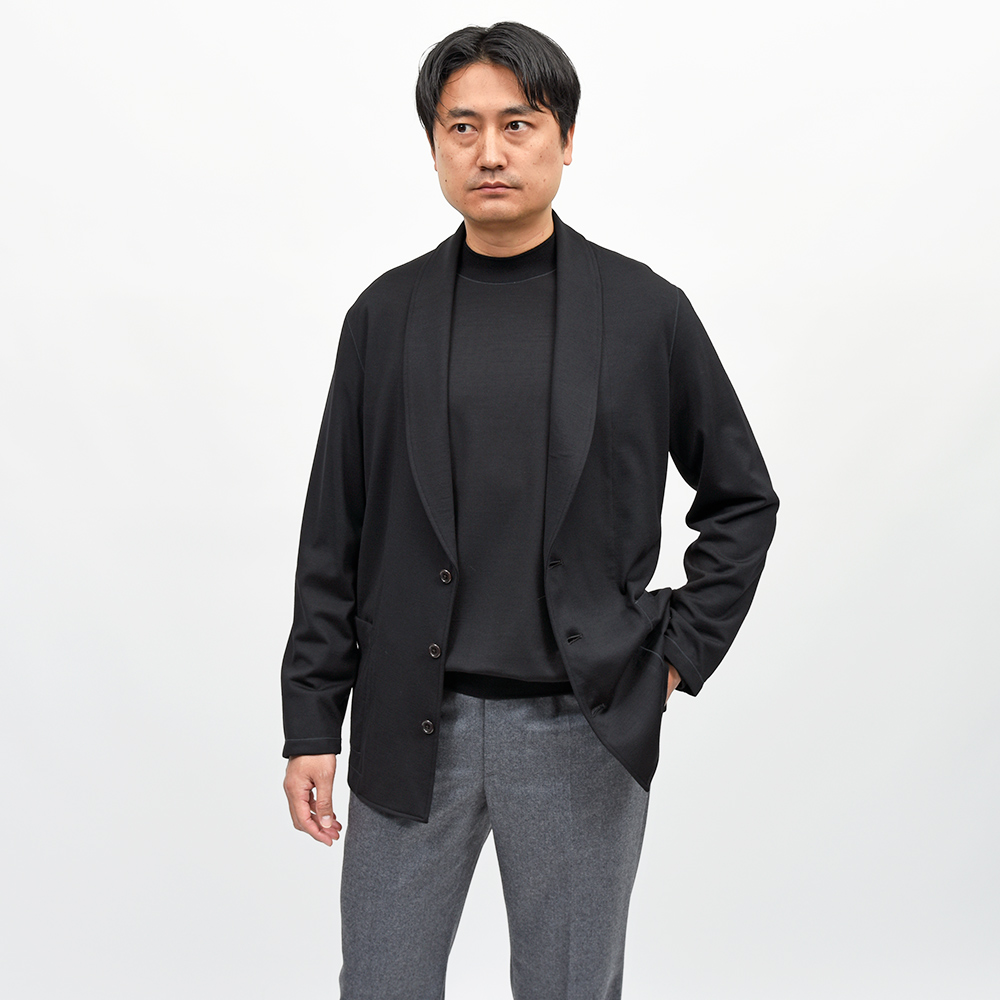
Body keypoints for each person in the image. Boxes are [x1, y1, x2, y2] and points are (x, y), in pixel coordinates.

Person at [280, 21, 778, 1000]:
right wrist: (310, 721)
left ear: (565, 138)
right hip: (410, 719)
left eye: (518, 124)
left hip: (580, 723)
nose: (490, 151)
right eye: (461, 127)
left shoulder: (645, 312)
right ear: (434, 144)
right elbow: (333, 532)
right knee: (382, 980)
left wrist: (673, 653)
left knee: (569, 986)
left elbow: (742, 497)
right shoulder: (385, 316)